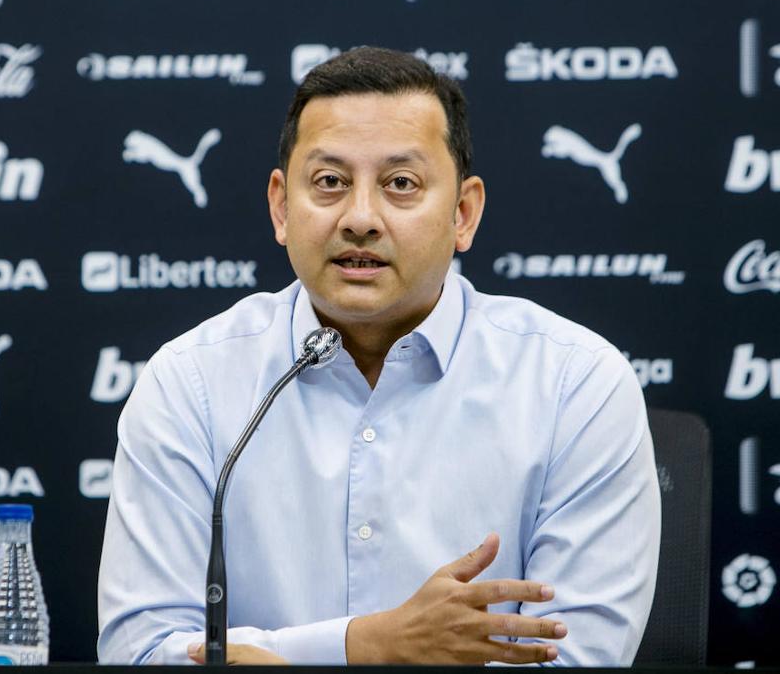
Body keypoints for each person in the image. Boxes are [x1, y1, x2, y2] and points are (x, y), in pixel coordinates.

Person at [96, 47, 660, 666]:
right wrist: (366, 646)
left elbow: (575, 665)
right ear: (282, 208)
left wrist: (273, 659)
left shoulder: (575, 385)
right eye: (330, 182)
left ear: (463, 213)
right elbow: (141, 653)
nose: (360, 218)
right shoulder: (191, 383)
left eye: (400, 184)